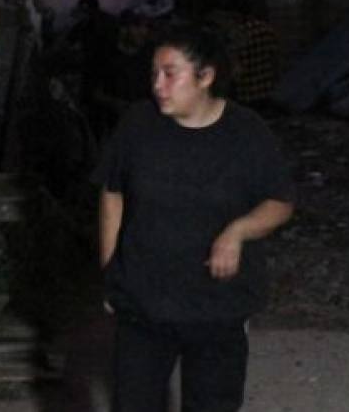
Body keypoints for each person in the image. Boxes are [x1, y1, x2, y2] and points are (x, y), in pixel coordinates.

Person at [94, 24, 295, 412]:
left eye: (171, 74)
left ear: (205, 77)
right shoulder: (138, 125)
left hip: (217, 305)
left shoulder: (246, 133)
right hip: (144, 301)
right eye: (154, 73)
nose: (158, 85)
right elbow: (112, 195)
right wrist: (109, 271)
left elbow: (280, 201)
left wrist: (237, 231)